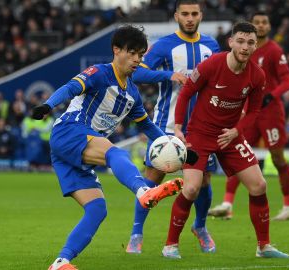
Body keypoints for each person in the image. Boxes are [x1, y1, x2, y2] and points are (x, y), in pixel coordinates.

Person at [31, 25, 185, 270]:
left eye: (141, 55)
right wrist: (48, 105)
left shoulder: (132, 93)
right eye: (132, 53)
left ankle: (60, 263)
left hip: (76, 150)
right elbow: (71, 87)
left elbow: (148, 127)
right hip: (70, 131)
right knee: (116, 152)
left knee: (96, 210)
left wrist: (181, 151)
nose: (137, 60)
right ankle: (144, 191)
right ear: (116, 50)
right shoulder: (100, 73)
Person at [162, 21, 289, 259]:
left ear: (255, 46)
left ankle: (264, 246)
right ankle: (170, 245)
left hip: (230, 136)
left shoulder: (257, 75)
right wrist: (179, 128)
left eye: (250, 42)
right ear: (231, 42)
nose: (245, 47)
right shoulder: (212, 64)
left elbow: (253, 112)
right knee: (190, 188)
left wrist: (236, 131)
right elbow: (187, 92)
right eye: (240, 41)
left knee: (259, 185)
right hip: (200, 134)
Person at [126, 0, 220, 254]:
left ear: (201, 15)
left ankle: (200, 226)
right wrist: (167, 75)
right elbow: (137, 72)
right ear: (177, 16)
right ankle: (136, 232)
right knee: (153, 178)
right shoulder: (166, 45)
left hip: (202, 127)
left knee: (203, 181)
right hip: (166, 124)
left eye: (194, 14)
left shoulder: (212, 45)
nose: (190, 18)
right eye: (185, 14)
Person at [208, 12, 289, 221]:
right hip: (247, 112)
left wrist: (270, 96)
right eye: (257, 22)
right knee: (240, 155)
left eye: (264, 22)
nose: (260, 25)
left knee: (277, 157)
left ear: (269, 26)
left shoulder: (274, 50)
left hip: (270, 113)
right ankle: (227, 204)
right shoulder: (244, 50)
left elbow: (287, 81)